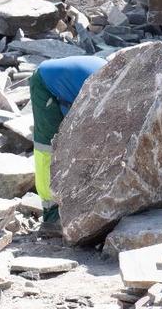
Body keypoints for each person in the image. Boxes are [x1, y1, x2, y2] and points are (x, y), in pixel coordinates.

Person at [29, 55, 108, 235]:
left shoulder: (125, 88)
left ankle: (78, 203)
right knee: (48, 148)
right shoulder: (113, 92)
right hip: (46, 83)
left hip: (73, 85)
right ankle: (52, 214)